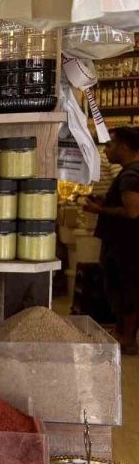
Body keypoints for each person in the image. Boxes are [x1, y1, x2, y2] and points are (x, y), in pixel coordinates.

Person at [84, 126, 139, 353]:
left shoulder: (130, 175)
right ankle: (121, 332)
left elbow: (132, 211)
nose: (106, 150)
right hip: (126, 244)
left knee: (126, 289)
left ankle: (126, 338)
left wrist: (99, 210)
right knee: (123, 288)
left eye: (110, 144)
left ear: (124, 147)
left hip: (125, 245)